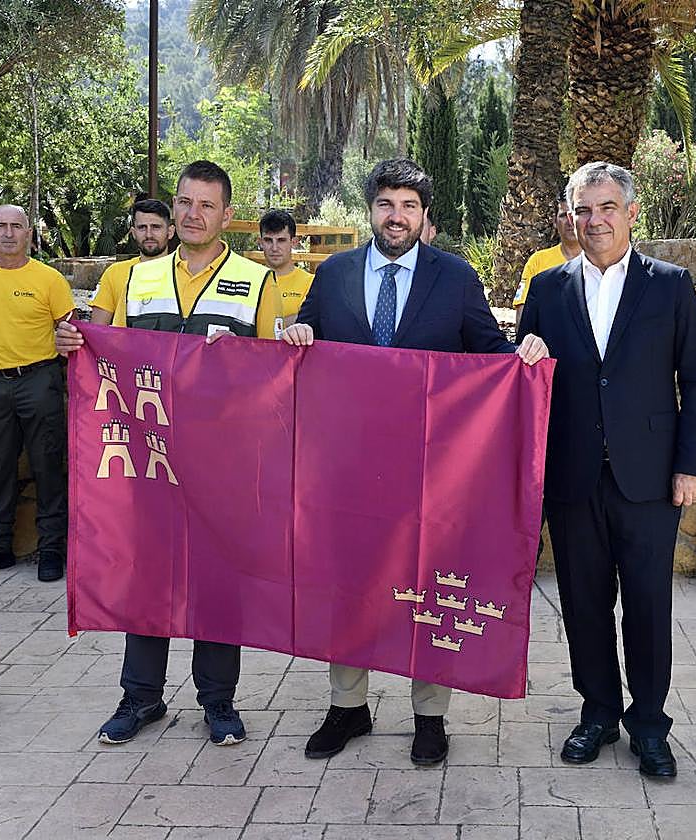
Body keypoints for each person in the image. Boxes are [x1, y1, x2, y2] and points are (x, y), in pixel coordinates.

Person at [281, 158, 550, 766]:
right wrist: (298, 337)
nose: (395, 216)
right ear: (370, 210)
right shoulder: (334, 275)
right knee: (347, 586)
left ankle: (429, 717)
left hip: (430, 474)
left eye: (407, 206)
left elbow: (491, 356)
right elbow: (306, 347)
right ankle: (347, 706)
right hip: (346, 470)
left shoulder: (454, 279)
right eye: (385, 204)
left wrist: (523, 353)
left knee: (430, 587)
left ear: (425, 216)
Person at [56, 164, 281, 748]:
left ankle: (219, 704)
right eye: (184, 203)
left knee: (216, 580)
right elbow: (99, 348)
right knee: (147, 577)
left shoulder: (259, 280)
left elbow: (275, 374)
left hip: (221, 462)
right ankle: (140, 698)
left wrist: (242, 360)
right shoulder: (133, 277)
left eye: (206, 205)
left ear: (227, 215)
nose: (192, 215)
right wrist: (72, 340)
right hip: (148, 456)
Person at [518, 161, 696, 778]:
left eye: (606, 208)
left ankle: (650, 724)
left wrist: (690, 465)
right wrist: (525, 356)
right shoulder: (548, 289)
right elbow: (528, 383)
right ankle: (599, 711)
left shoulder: (670, 284)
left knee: (649, 605)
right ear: (571, 216)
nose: (594, 220)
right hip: (573, 477)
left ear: (632, 213)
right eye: (584, 209)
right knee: (582, 603)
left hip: (650, 478)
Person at [0, 205, 74, 583]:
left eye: (16, 226)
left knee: (48, 465)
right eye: (1, 226)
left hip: (40, 379)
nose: (8, 233)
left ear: (28, 233)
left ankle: (53, 550)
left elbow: (68, 331)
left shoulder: (49, 279)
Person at [89, 199, 177, 326]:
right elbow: (96, 329)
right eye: (142, 227)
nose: (149, 235)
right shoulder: (115, 273)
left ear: (170, 232)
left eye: (156, 227)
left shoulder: (184, 272)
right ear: (134, 233)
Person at [513, 191, 582, 327]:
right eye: (563, 215)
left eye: (574, 214)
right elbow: (522, 314)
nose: (570, 221)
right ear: (555, 222)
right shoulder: (538, 261)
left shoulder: (599, 262)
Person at [258, 209, 315, 338]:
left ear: (293, 242)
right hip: (256, 355)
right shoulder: (252, 280)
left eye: (281, 240)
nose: (274, 248)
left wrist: (260, 324)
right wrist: (290, 320)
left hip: (294, 356)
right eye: (268, 240)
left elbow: (309, 324)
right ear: (260, 242)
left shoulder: (311, 283)